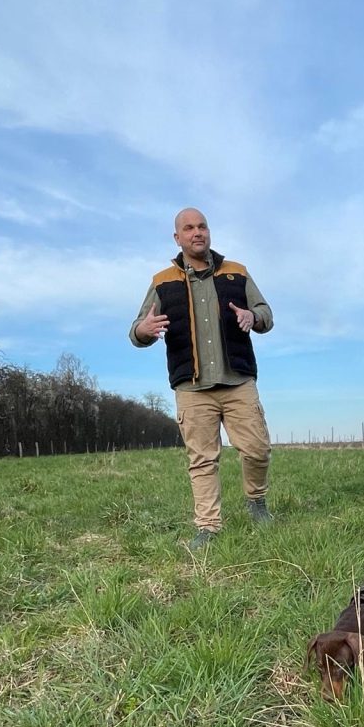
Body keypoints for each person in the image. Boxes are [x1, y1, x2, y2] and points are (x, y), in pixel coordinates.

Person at [130, 208, 274, 549]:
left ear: (209, 232)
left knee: (257, 450)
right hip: (192, 388)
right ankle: (208, 527)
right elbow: (136, 331)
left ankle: (256, 501)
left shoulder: (236, 273)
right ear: (177, 238)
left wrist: (252, 317)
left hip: (238, 381)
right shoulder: (161, 281)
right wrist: (144, 330)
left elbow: (266, 314)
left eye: (203, 226)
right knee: (202, 459)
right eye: (189, 228)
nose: (198, 232)